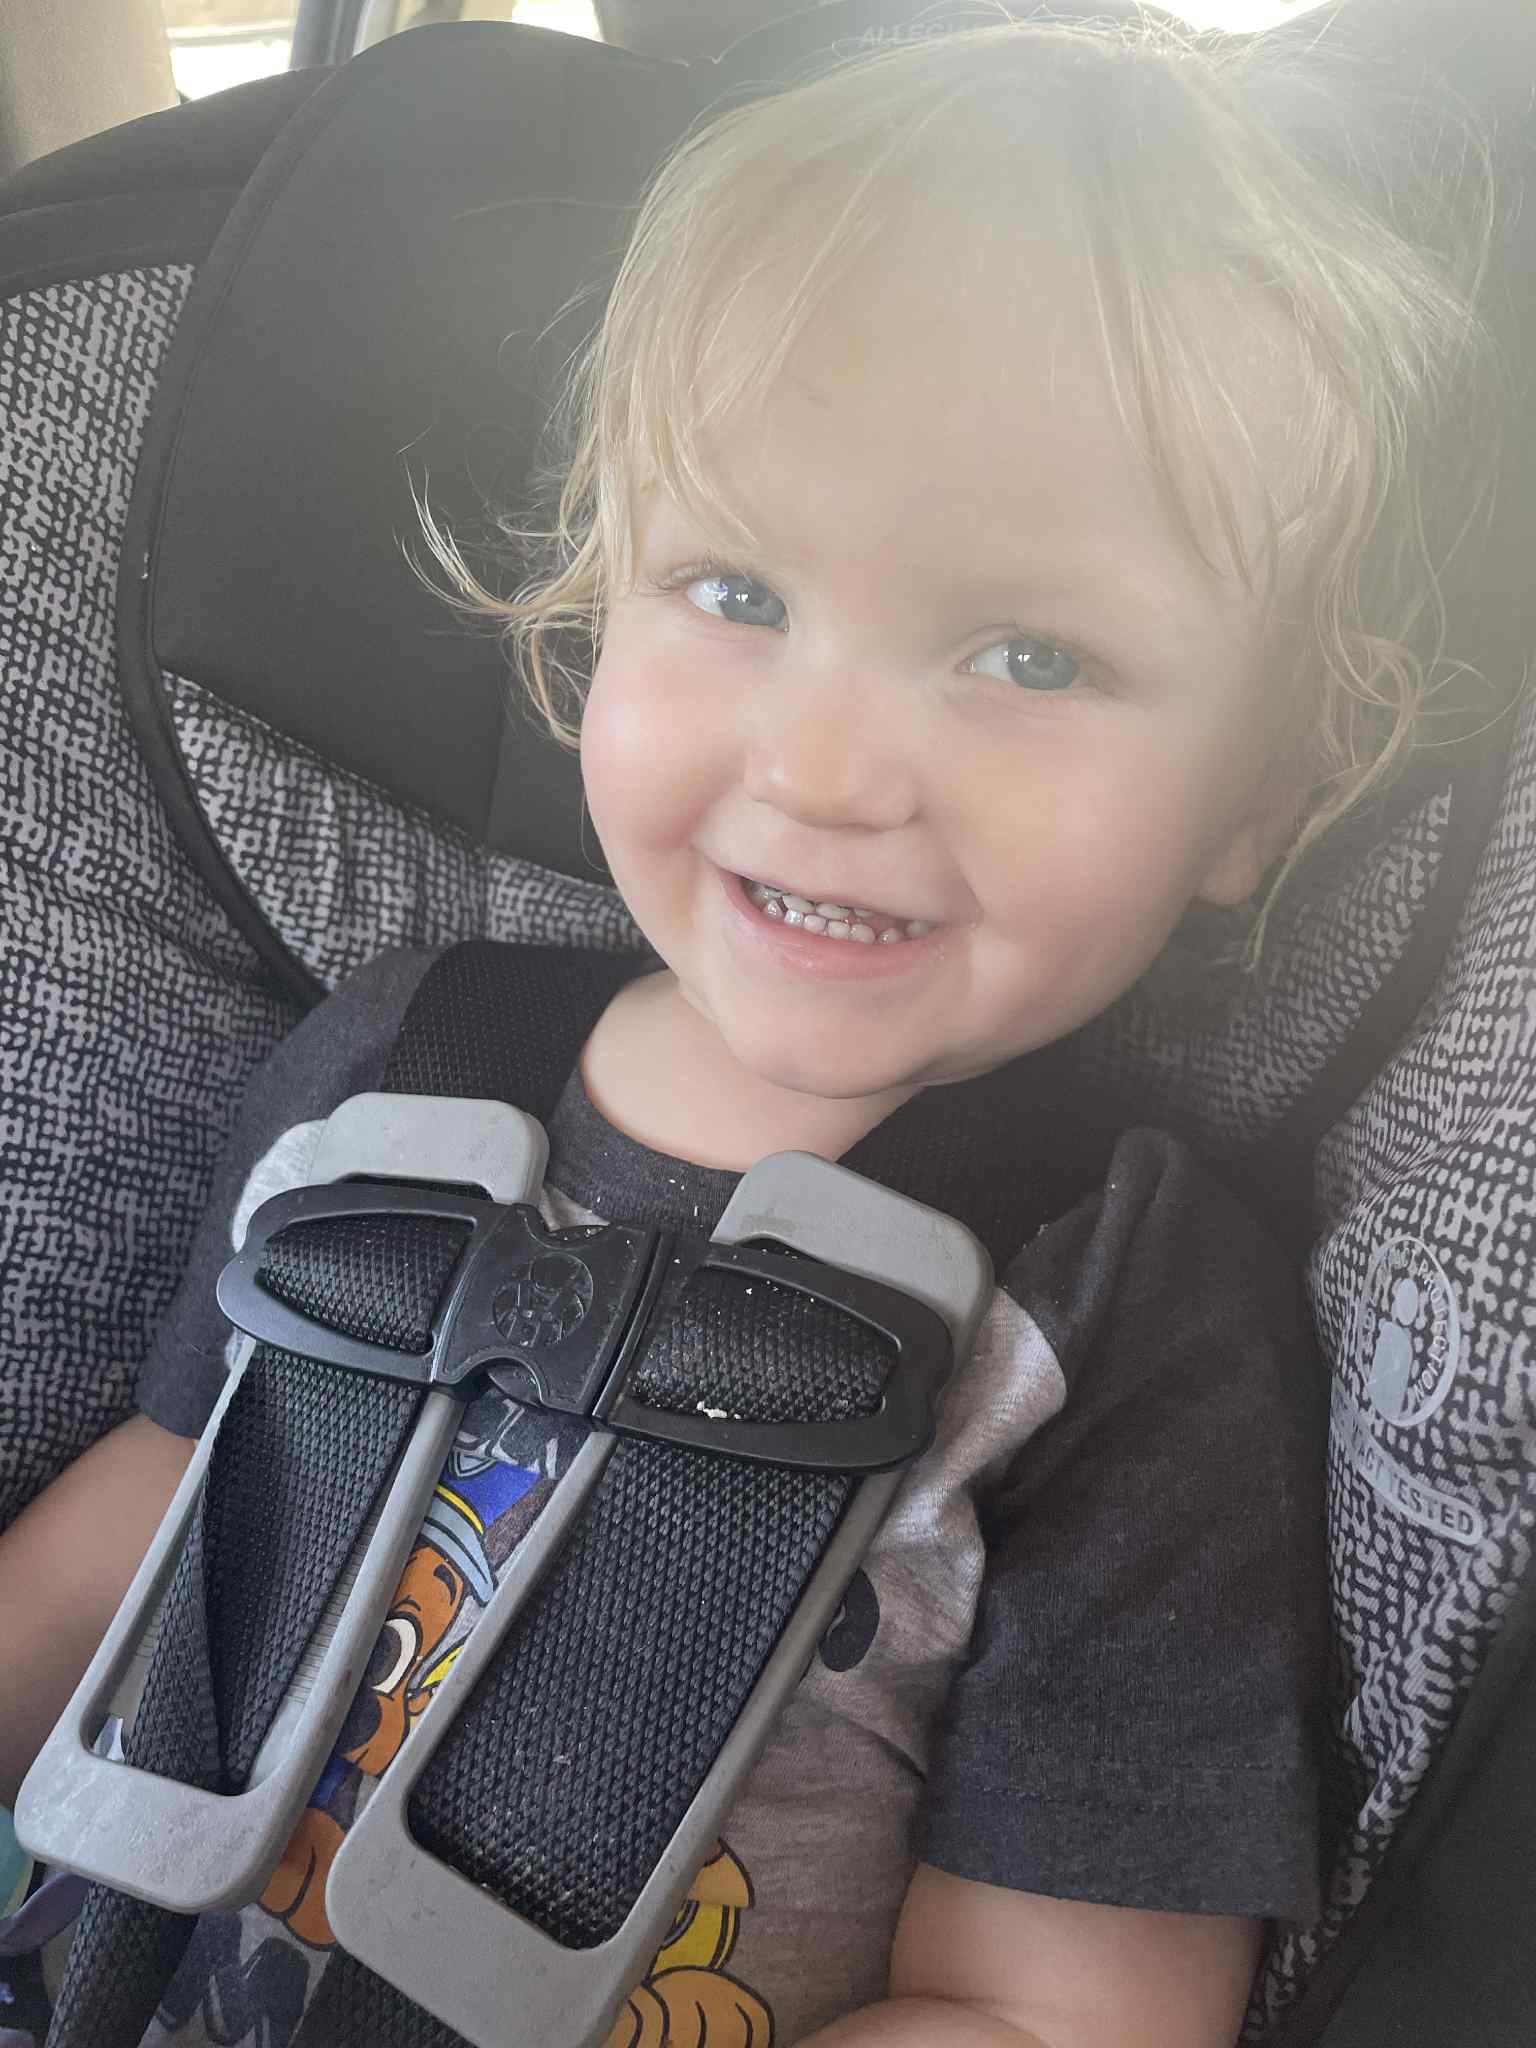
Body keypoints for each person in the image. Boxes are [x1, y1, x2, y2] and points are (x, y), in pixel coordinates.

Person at [0, 17, 1495, 2047]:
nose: (826, 768)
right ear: (591, 612)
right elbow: (153, 1515)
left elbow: (1060, 2014)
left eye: (1029, 652)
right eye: (735, 594)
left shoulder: (1125, 1318)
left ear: (1256, 801)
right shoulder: (391, 1068)